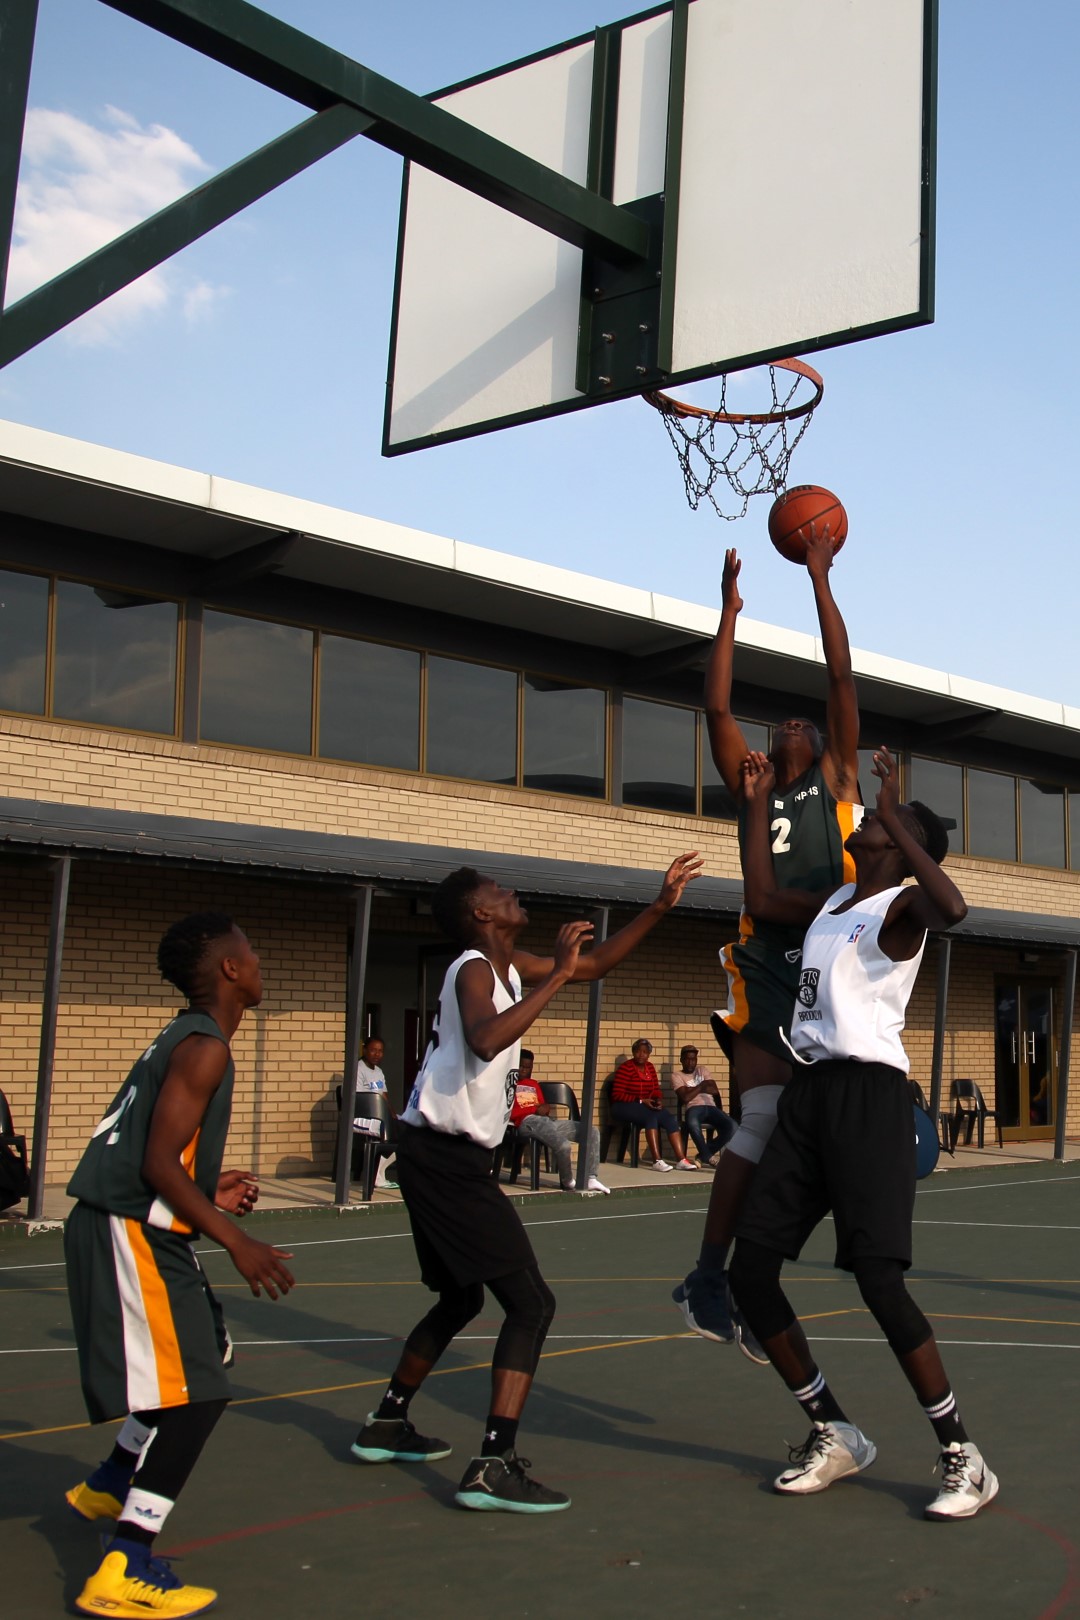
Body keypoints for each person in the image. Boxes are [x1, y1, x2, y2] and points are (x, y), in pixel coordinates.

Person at [349, 853, 701, 1514]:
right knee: (531, 1305)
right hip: (444, 1159)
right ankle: (492, 1463)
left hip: (441, 1158)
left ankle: (387, 1420)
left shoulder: (509, 967)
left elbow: (595, 966)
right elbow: (486, 1039)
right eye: (498, 889)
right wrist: (559, 974)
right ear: (482, 912)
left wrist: (658, 907)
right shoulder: (472, 968)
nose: (512, 892)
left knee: (461, 1300)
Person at [726, 747, 998, 1519]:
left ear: (901, 843)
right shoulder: (837, 900)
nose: (873, 821)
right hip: (809, 1094)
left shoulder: (903, 910)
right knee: (752, 1274)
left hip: (869, 1100)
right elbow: (759, 895)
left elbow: (955, 909)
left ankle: (963, 1455)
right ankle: (833, 1430)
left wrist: (898, 816)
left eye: (889, 821)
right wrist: (757, 800)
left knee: (879, 1280)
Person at [62, 913, 295, 1617]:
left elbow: (157, 1154)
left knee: (208, 1356)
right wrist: (235, 1239)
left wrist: (206, 1190)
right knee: (200, 1395)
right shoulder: (204, 1048)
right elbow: (157, 1163)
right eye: (250, 949)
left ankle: (110, 1483)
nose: (258, 959)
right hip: (126, 1229)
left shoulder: (190, 1036)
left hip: (136, 1221)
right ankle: (124, 1564)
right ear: (229, 969)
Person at [675, 532, 863, 1343]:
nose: (792, 720)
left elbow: (839, 677)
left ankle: (753, 1276)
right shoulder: (752, 785)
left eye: (805, 723)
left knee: (809, 1138)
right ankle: (709, 1277)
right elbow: (717, 708)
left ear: (821, 747)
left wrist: (819, 577)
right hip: (764, 962)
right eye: (782, 720)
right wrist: (728, 613)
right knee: (758, 1122)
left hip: (830, 970)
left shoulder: (837, 782)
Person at [510, 1049, 608, 1195]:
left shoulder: (533, 1084)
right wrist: (534, 1110)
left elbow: (542, 1106)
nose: (524, 1070)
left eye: (528, 1067)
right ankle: (568, 1181)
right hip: (527, 1122)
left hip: (547, 1122)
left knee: (591, 1131)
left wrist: (546, 1108)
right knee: (563, 1145)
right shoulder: (510, 1085)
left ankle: (591, 1178)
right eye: (521, 1066)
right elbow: (509, 1113)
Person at [610, 1040, 698, 1172]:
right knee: (651, 1118)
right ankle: (657, 1161)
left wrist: (657, 1099)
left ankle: (681, 1159)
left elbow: (655, 1089)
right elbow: (617, 1094)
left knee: (669, 1118)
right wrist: (641, 1100)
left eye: (645, 1052)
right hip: (624, 1106)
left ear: (649, 1054)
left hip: (645, 1105)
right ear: (633, 1052)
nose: (641, 1055)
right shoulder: (626, 1068)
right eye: (638, 1051)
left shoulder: (650, 1067)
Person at [672, 1044, 734, 1166]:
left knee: (733, 1126)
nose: (691, 1062)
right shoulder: (677, 1075)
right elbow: (685, 1097)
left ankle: (704, 1155)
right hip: (694, 1108)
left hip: (711, 1107)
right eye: (687, 1059)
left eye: (693, 1059)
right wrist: (702, 1086)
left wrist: (690, 1090)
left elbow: (714, 1090)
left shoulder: (702, 1070)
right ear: (681, 1060)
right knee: (692, 1124)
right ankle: (708, 1156)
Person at [354, 1034, 397, 1187]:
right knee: (388, 1130)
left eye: (380, 1051)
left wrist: (392, 1115)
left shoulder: (378, 1071)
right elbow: (358, 1098)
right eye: (373, 1050)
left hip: (380, 1116)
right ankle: (377, 1175)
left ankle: (380, 1172)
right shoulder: (358, 1069)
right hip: (362, 1116)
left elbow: (383, 1096)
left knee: (406, 1130)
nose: (377, 1054)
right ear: (364, 1050)